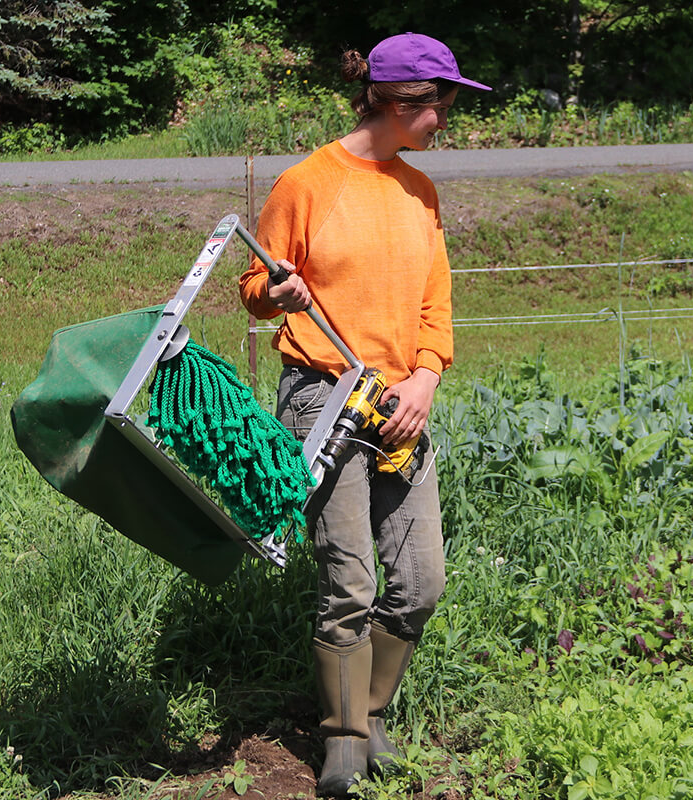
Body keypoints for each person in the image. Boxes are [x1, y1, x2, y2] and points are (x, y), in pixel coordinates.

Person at [238, 32, 490, 798]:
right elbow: (256, 283)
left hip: (398, 403)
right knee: (348, 577)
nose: (447, 117)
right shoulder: (307, 183)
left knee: (420, 578)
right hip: (321, 394)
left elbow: (434, 304)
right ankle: (344, 736)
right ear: (399, 102)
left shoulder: (421, 191)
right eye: (442, 103)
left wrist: (426, 378)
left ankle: (371, 710)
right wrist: (275, 293)